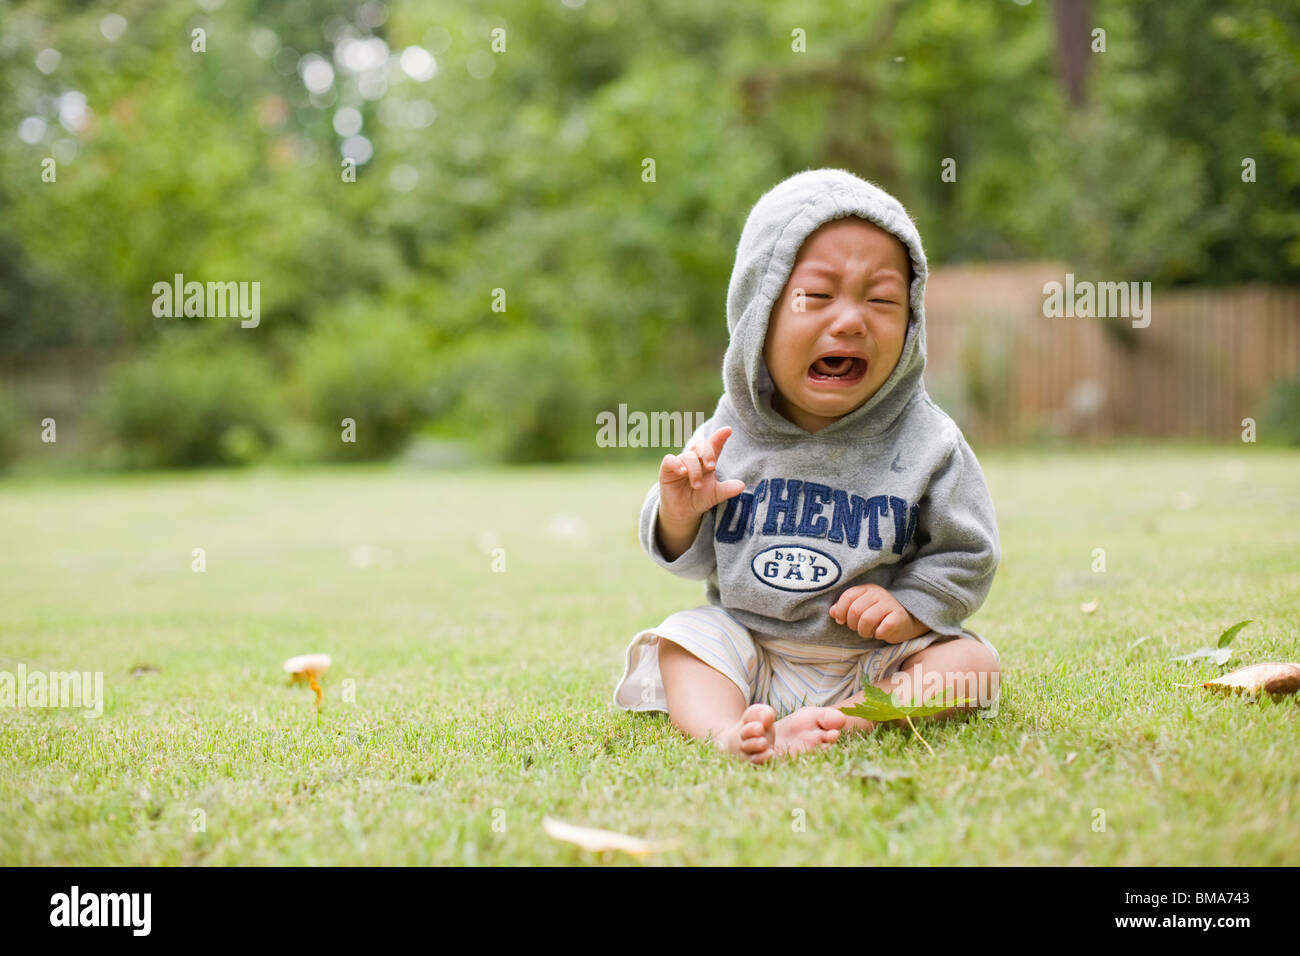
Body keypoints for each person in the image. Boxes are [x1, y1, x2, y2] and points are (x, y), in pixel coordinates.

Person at [612, 168, 1002, 764]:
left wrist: (912, 606)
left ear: (911, 322)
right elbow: (687, 558)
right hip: (752, 648)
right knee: (684, 640)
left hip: (876, 662)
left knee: (972, 665)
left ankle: (854, 720)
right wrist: (680, 513)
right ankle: (730, 731)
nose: (849, 321)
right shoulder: (730, 430)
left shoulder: (930, 442)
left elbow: (968, 552)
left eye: (881, 299)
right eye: (816, 297)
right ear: (758, 316)